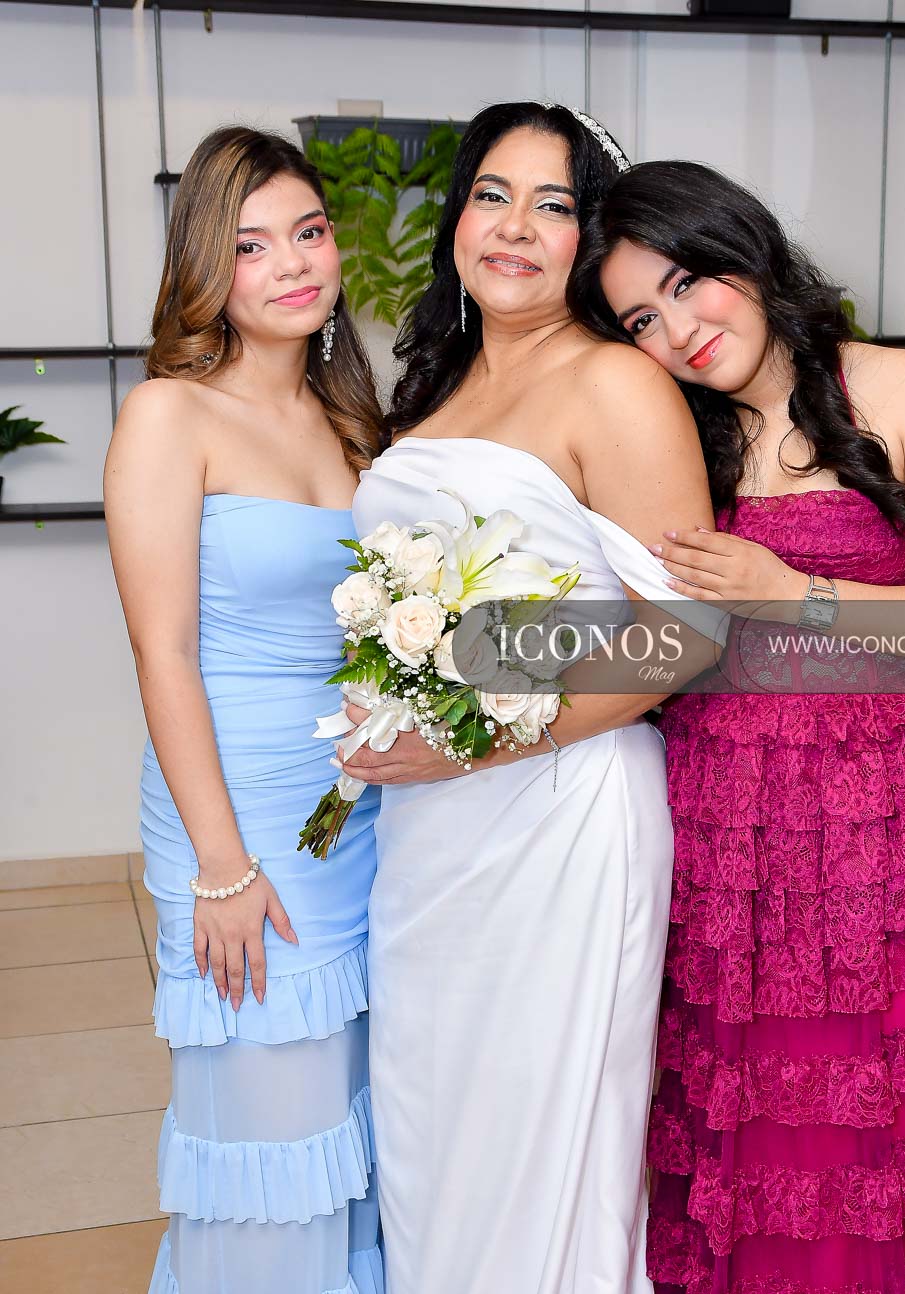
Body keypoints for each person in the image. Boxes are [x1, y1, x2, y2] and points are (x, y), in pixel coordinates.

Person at [568, 160, 905, 1294]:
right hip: (735, 846)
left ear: (745, 248)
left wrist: (797, 594)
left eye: (687, 283)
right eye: (641, 320)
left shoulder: (899, 389)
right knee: (764, 1141)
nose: (679, 331)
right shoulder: (667, 438)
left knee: (900, 1134)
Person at [341, 102, 717, 1294]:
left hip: (563, 813)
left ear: (588, 239)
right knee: (429, 1119)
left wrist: (470, 742)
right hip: (428, 833)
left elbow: (685, 637)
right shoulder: (432, 391)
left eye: (552, 206)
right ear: (456, 217)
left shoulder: (615, 384)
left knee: (540, 1137)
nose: (513, 227)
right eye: (491, 196)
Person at [105, 126, 383, 1294]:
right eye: (251, 244)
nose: (292, 264)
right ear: (206, 268)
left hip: (356, 815)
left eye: (308, 232)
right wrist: (221, 868)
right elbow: (161, 651)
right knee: (271, 1142)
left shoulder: (351, 416)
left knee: (350, 1132)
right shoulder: (171, 416)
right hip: (238, 816)